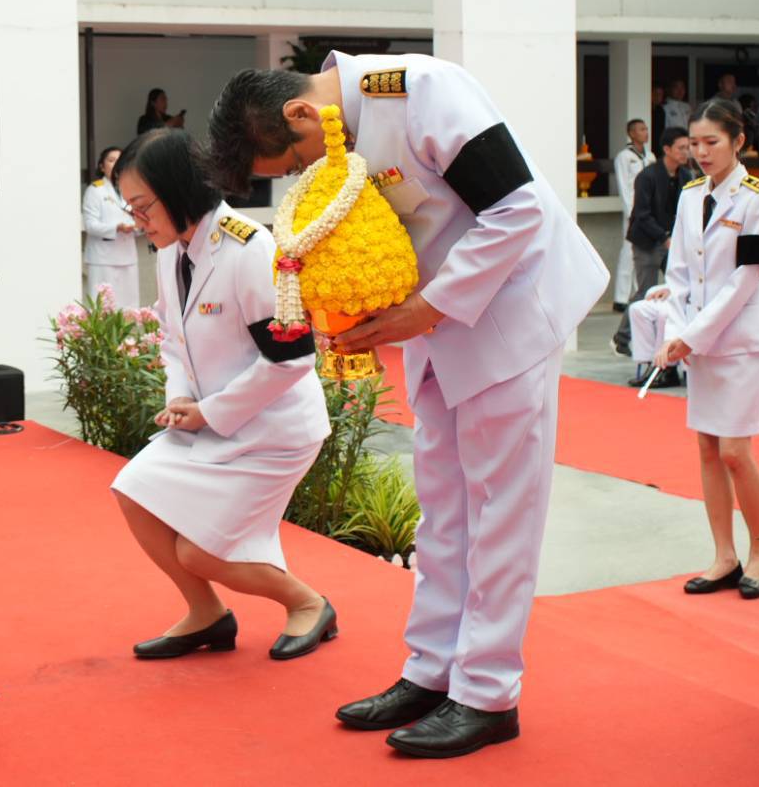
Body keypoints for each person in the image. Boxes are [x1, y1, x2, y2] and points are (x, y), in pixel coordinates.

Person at [207, 54, 607, 760]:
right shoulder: (340, 126)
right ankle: (429, 671)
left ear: (301, 114)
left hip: (507, 313)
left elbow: (516, 209)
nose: (302, 175)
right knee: (443, 506)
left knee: (500, 508)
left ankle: (486, 693)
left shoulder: (423, 92)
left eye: (291, 162)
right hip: (433, 324)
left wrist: (424, 309)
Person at [108, 129, 335, 663]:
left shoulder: (250, 250)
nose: (137, 220)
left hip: (273, 430)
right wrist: (181, 399)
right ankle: (207, 614)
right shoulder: (172, 249)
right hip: (208, 421)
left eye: (143, 206)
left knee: (201, 551)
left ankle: (310, 604)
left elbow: (294, 356)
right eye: (131, 209)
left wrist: (210, 411)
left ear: (180, 188)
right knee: (133, 488)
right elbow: (172, 337)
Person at [653, 98, 759, 601]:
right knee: (707, 446)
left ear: (738, 142)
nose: (701, 152)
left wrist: (694, 334)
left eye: (713, 143)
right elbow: (680, 274)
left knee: (734, 449)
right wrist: (676, 329)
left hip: (744, 342)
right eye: (695, 143)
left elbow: (747, 278)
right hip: (700, 340)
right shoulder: (689, 196)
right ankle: (723, 554)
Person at [614, 127, 692, 364]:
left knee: (678, 287)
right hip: (647, 241)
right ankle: (622, 338)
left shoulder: (686, 176)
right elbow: (642, 214)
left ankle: (673, 337)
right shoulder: (647, 176)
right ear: (667, 149)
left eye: (688, 147)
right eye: (681, 148)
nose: (686, 152)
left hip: (672, 242)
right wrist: (664, 237)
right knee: (645, 290)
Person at [82, 146, 139, 307]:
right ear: (102, 166)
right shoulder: (95, 191)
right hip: (103, 259)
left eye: (119, 161)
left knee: (128, 308)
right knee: (103, 308)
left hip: (127, 256)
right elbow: (90, 225)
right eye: (111, 160)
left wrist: (138, 227)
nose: (115, 164)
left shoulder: (130, 189)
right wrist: (116, 228)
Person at [612, 119, 652, 311]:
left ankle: (640, 293)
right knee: (628, 252)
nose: (646, 132)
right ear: (631, 133)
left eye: (646, 129)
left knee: (644, 254)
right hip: (633, 212)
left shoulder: (650, 156)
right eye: (641, 129)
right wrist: (631, 213)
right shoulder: (624, 157)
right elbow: (624, 186)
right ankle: (620, 298)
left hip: (648, 212)